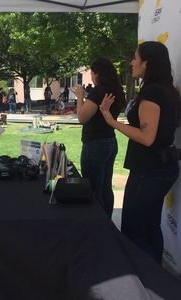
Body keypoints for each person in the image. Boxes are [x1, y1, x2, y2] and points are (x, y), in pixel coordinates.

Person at [100, 41, 180, 264]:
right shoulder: (167, 90)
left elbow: (147, 137)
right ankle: (156, 281)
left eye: (135, 57)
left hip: (149, 171)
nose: (131, 62)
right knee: (151, 226)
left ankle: (147, 281)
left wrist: (111, 121)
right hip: (160, 169)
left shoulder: (153, 92)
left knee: (133, 231)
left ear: (146, 63)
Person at [71, 57, 126, 218]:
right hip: (110, 141)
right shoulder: (116, 90)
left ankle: (99, 227)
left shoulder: (98, 91)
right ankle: (108, 224)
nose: (92, 77)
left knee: (94, 189)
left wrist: (80, 97)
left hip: (95, 144)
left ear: (97, 74)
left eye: (92, 73)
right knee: (105, 187)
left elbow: (82, 117)